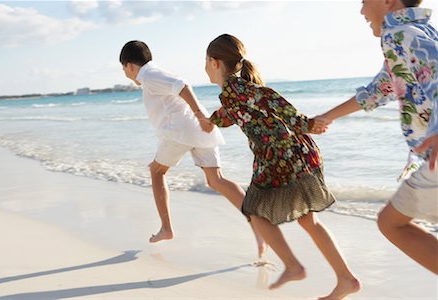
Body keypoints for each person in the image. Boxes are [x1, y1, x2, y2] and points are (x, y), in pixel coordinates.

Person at [203, 34, 360, 299]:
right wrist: (210, 120)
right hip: (298, 153)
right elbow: (236, 113)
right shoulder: (235, 93)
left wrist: (309, 123)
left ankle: (293, 266)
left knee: (255, 212)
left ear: (214, 62)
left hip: (280, 157)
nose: (205, 67)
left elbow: (269, 104)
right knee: (309, 220)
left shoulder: (235, 90)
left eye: (205, 62)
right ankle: (346, 279)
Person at [315, 0, 438, 274]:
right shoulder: (416, 32)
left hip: (435, 158)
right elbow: (379, 90)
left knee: (391, 224)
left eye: (363, 2)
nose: (361, 11)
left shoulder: (400, 34)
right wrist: (328, 117)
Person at [119, 40, 266, 257]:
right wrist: (201, 119)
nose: (125, 74)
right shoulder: (152, 75)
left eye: (124, 69)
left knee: (156, 171)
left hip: (179, 130)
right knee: (216, 180)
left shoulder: (148, 75)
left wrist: (199, 114)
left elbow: (182, 85)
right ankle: (260, 226)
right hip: (197, 130)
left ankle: (166, 228)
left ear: (130, 66)